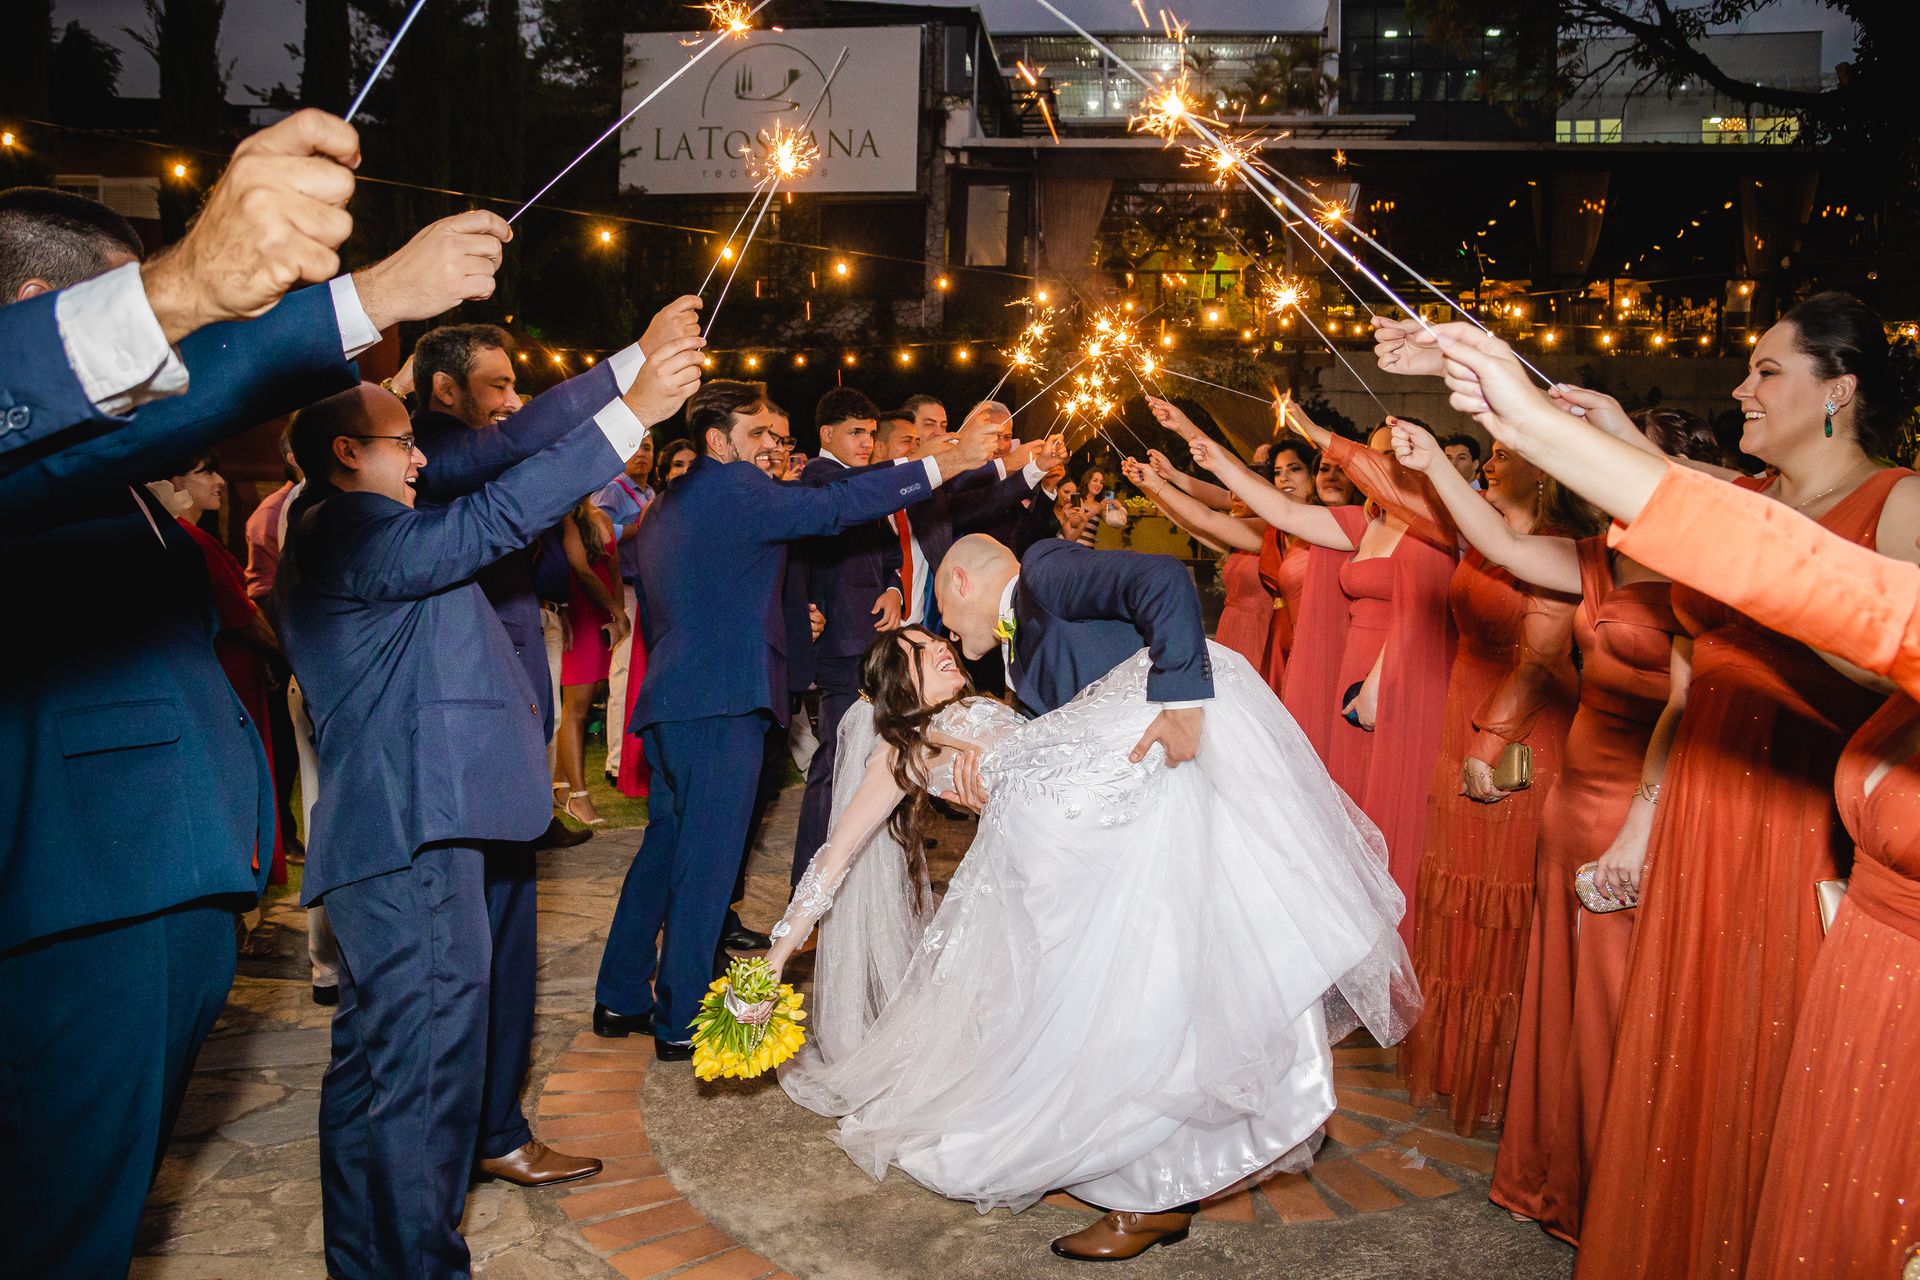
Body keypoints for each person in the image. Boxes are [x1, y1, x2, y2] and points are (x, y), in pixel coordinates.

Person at [0, 113, 497, 1276]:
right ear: (39, 310)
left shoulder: (91, 475)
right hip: (85, 895)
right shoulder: (48, 441)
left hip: (140, 884)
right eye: (133, 321)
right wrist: (357, 298)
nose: (166, 361)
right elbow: (191, 400)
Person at [1382, 298, 1920, 1278]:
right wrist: (1521, 406)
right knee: (1684, 1050)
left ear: (1839, 388)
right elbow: (1675, 501)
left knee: (1767, 1048)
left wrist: (1761, 575)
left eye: (1765, 371)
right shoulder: (1752, 494)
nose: (1739, 387)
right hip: (1702, 797)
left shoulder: (1898, 501)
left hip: (1791, 809)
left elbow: (1887, 657)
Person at [757, 537, 1417, 1263]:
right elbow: (836, 855)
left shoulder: (999, 699)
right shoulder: (899, 744)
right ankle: (1140, 1179)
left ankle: (1152, 1180)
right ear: (894, 682)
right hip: (1054, 861)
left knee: (1162, 978)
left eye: (938, 635)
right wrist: (775, 955)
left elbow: (1053, 740)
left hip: (1093, 829)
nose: (942, 645)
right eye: (920, 649)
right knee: (1106, 1013)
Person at [276, 327, 699, 1277]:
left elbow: (489, 489)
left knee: (378, 1068)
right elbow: (491, 517)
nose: (425, 456)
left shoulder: (357, 526)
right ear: (350, 454)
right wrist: (631, 412)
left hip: (401, 826)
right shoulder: (351, 526)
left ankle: (367, 1259)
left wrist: (626, 369)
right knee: (427, 1074)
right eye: (404, 444)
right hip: (413, 830)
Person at [591, 380, 1000, 1057]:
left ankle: (620, 995)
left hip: (674, 701)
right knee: (708, 864)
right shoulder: (733, 489)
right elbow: (836, 505)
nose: (774, 449)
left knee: (665, 850)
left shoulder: (671, 505)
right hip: (720, 703)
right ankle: (680, 1020)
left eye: (778, 439)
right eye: (759, 436)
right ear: (719, 442)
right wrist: (941, 464)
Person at [1385, 407, 1716, 1231]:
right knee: (1564, 997)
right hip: (1574, 789)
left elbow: (1684, 706)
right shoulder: (1594, 558)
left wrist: (1643, 816)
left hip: (1645, 795)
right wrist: (1431, 458)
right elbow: (1497, 546)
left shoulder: (1701, 570)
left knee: (1618, 1002)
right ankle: (1555, 1172)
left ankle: (1621, 1190)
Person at [1314, 421, 1589, 1137]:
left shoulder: (1560, 549)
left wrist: (1492, 738)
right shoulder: (1484, 530)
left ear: (1547, 470)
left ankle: (1500, 1078)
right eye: (1490, 452)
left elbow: (1541, 660)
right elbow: (1403, 497)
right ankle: (1452, 1065)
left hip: (1514, 729)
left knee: (1499, 898)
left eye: (1504, 454)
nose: (1491, 464)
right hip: (1457, 716)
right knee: (1449, 892)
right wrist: (1337, 442)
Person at [1176, 400, 1456, 938]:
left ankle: (1393, 947)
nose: (1360, 468)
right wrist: (1215, 460)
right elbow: (1280, 513)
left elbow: (1419, 616)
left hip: (1397, 677)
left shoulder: (1435, 528)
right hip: (1349, 678)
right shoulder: (1362, 523)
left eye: (1380, 459)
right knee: (1348, 813)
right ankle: (1348, 946)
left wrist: (1375, 686)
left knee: (1388, 814)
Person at [555, 498, 628, 823]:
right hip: (582, 615)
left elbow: (614, 569)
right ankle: (578, 797)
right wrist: (614, 609)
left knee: (594, 694)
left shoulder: (601, 516)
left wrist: (619, 613)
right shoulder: (565, 516)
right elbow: (581, 570)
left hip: (603, 616)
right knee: (576, 708)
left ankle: (558, 785)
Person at [592, 436, 655, 790]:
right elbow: (598, 534)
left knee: (636, 677)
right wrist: (636, 528)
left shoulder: (648, 493)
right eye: (635, 447)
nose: (641, 455)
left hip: (645, 589)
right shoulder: (614, 490)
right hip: (624, 591)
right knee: (623, 674)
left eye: (647, 447)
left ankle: (630, 759)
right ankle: (615, 762)